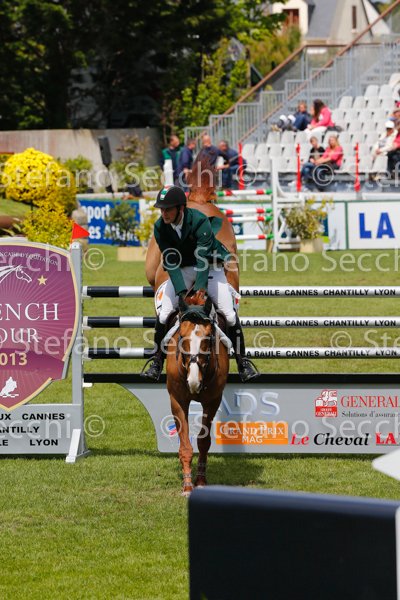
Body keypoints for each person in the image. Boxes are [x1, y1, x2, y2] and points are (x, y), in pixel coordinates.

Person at [141, 186, 258, 382]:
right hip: (182, 268)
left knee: (229, 314)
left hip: (210, 267)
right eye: (161, 209)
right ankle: (156, 361)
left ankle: (243, 362)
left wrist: (201, 289)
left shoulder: (199, 221)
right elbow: (170, 260)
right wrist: (181, 292)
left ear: (181, 208)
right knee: (164, 314)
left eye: (168, 209)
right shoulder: (160, 227)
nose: (164, 213)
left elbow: (202, 259)